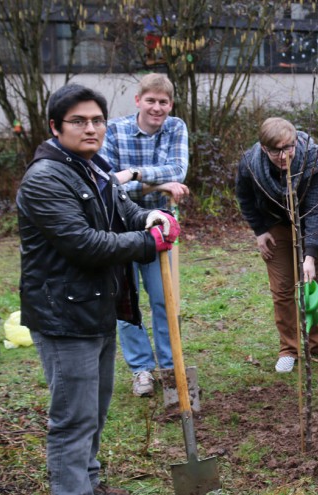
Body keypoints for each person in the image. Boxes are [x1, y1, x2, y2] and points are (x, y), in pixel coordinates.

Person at [17, 83, 180, 495]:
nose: (90, 128)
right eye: (78, 121)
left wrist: (150, 218)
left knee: (96, 409)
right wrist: (149, 244)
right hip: (63, 317)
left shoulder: (93, 167)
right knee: (72, 417)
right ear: (55, 127)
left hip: (96, 308)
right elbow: (84, 243)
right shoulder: (46, 179)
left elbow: (122, 209)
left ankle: (87, 484)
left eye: (96, 121)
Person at [100, 73, 190, 398]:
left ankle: (169, 366)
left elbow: (177, 170)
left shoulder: (176, 128)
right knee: (127, 300)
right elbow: (108, 181)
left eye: (163, 102)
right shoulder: (113, 130)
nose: (157, 107)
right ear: (138, 101)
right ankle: (141, 370)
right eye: (150, 100)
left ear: (170, 104)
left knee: (164, 298)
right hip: (119, 226)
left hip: (160, 226)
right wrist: (161, 184)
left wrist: (135, 174)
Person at [235, 117, 318, 372]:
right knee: (283, 289)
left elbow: (317, 211)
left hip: (311, 224)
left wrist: (309, 255)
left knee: (313, 284)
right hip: (275, 225)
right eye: (276, 150)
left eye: (289, 147)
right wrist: (260, 231)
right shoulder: (250, 164)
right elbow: (245, 197)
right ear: (264, 148)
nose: (284, 155)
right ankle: (289, 348)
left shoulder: (314, 160)